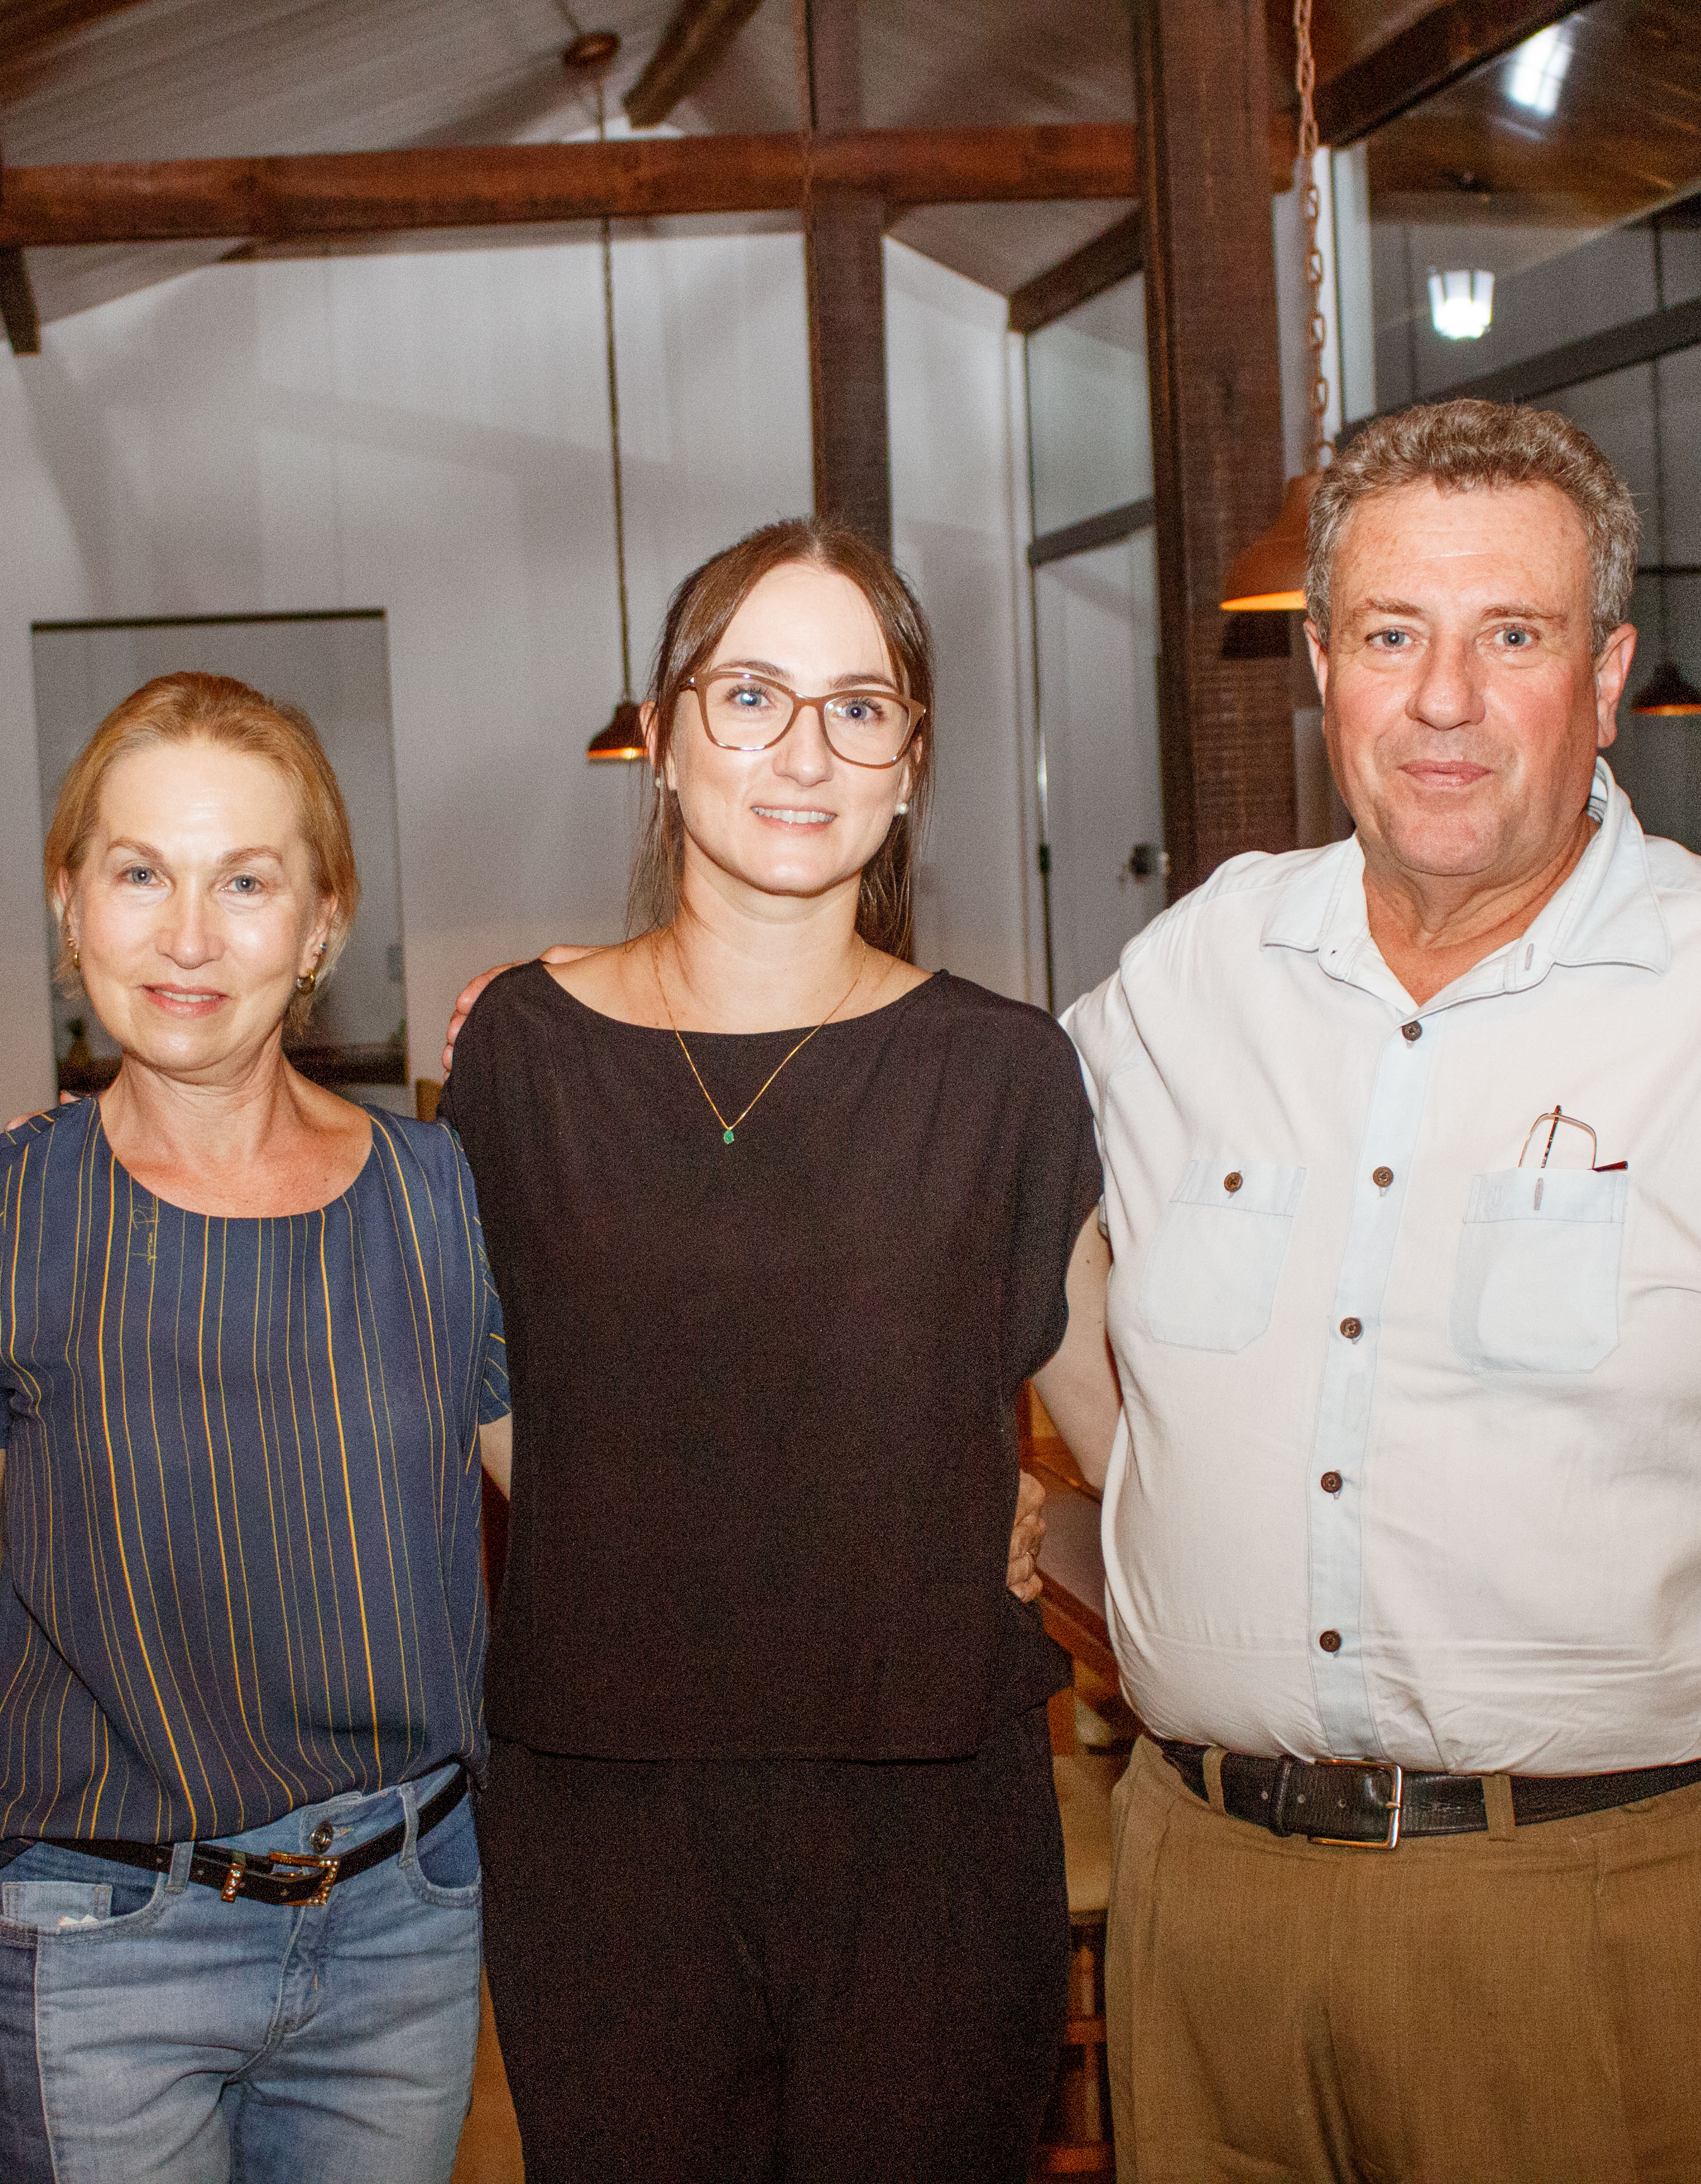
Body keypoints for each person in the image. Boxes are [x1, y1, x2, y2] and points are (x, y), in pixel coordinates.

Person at [1056, 399, 1701, 2182]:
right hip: (1210, 1919)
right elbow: (930, 1146)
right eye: (1392, 635)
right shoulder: (1188, 975)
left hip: (1633, 1929)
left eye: (1508, 636)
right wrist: (626, 1005)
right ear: (1320, 668)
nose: (1443, 699)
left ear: (1604, 677)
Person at [439, 518, 1122, 2183]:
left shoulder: (1008, 1077)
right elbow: (488, 1393)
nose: (804, 751)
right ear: (664, 739)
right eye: (749, 696)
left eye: (860, 708)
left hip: (925, 1820)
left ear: (911, 767)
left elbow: (1132, 1436)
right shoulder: (518, 1052)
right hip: (604, 1811)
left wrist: (1005, 1507)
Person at [0, 672, 511, 2184]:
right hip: (95, 1948)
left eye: (247, 882)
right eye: (141, 873)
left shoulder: (446, 1204)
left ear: (322, 928)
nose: (191, 936)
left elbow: (606, 1504)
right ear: (67, 901)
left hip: (404, 1929)